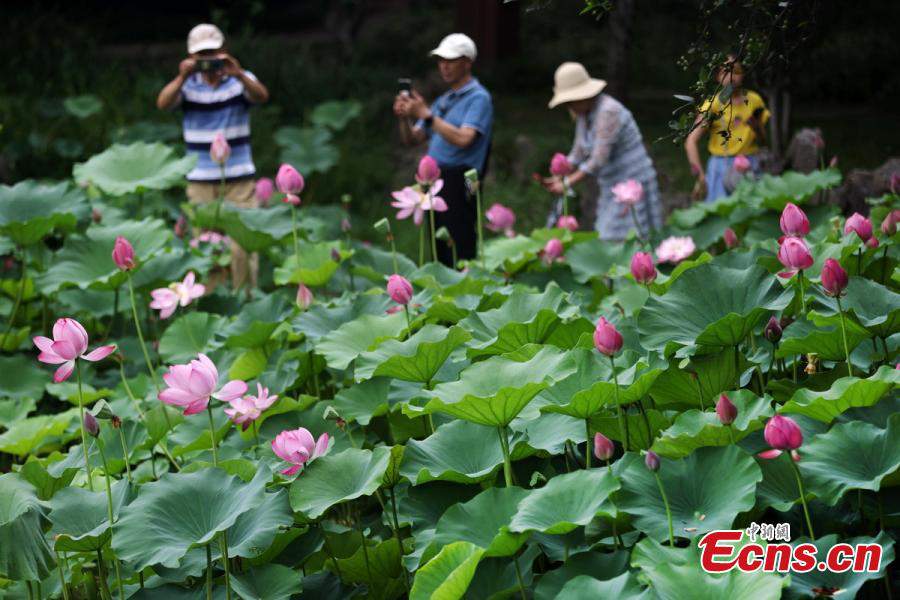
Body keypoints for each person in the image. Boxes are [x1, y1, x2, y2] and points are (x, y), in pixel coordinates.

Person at [156, 23, 269, 293]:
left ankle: (245, 298)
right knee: (208, 246)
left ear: (223, 50)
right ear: (190, 56)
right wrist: (182, 77)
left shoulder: (239, 81)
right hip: (201, 180)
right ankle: (213, 301)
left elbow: (262, 96)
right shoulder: (186, 86)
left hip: (239, 179)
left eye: (212, 52)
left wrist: (238, 72)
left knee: (243, 245)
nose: (207, 60)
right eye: (201, 54)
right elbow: (162, 103)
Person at [393, 33, 493, 266]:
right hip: (435, 180)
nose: (444, 66)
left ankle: (467, 291)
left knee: (461, 237)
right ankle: (445, 293)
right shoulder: (444, 100)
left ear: (467, 62)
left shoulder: (479, 98)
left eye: (451, 59)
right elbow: (413, 139)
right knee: (438, 242)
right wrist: (405, 117)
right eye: (440, 60)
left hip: (465, 177)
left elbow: (464, 138)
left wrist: (426, 115)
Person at [544, 62, 663, 241]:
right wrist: (560, 175)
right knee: (609, 236)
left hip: (632, 182)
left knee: (630, 238)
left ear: (581, 96)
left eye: (570, 102)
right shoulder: (584, 114)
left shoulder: (608, 110)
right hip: (612, 184)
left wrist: (568, 183)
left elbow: (599, 159)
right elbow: (579, 150)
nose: (569, 107)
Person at [684, 54, 770, 202]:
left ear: (743, 74)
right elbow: (690, 142)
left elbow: (763, 140)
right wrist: (700, 177)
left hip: (750, 165)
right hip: (721, 167)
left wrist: (756, 128)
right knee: (722, 218)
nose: (731, 77)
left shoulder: (754, 100)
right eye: (726, 72)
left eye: (736, 71)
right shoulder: (714, 105)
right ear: (718, 77)